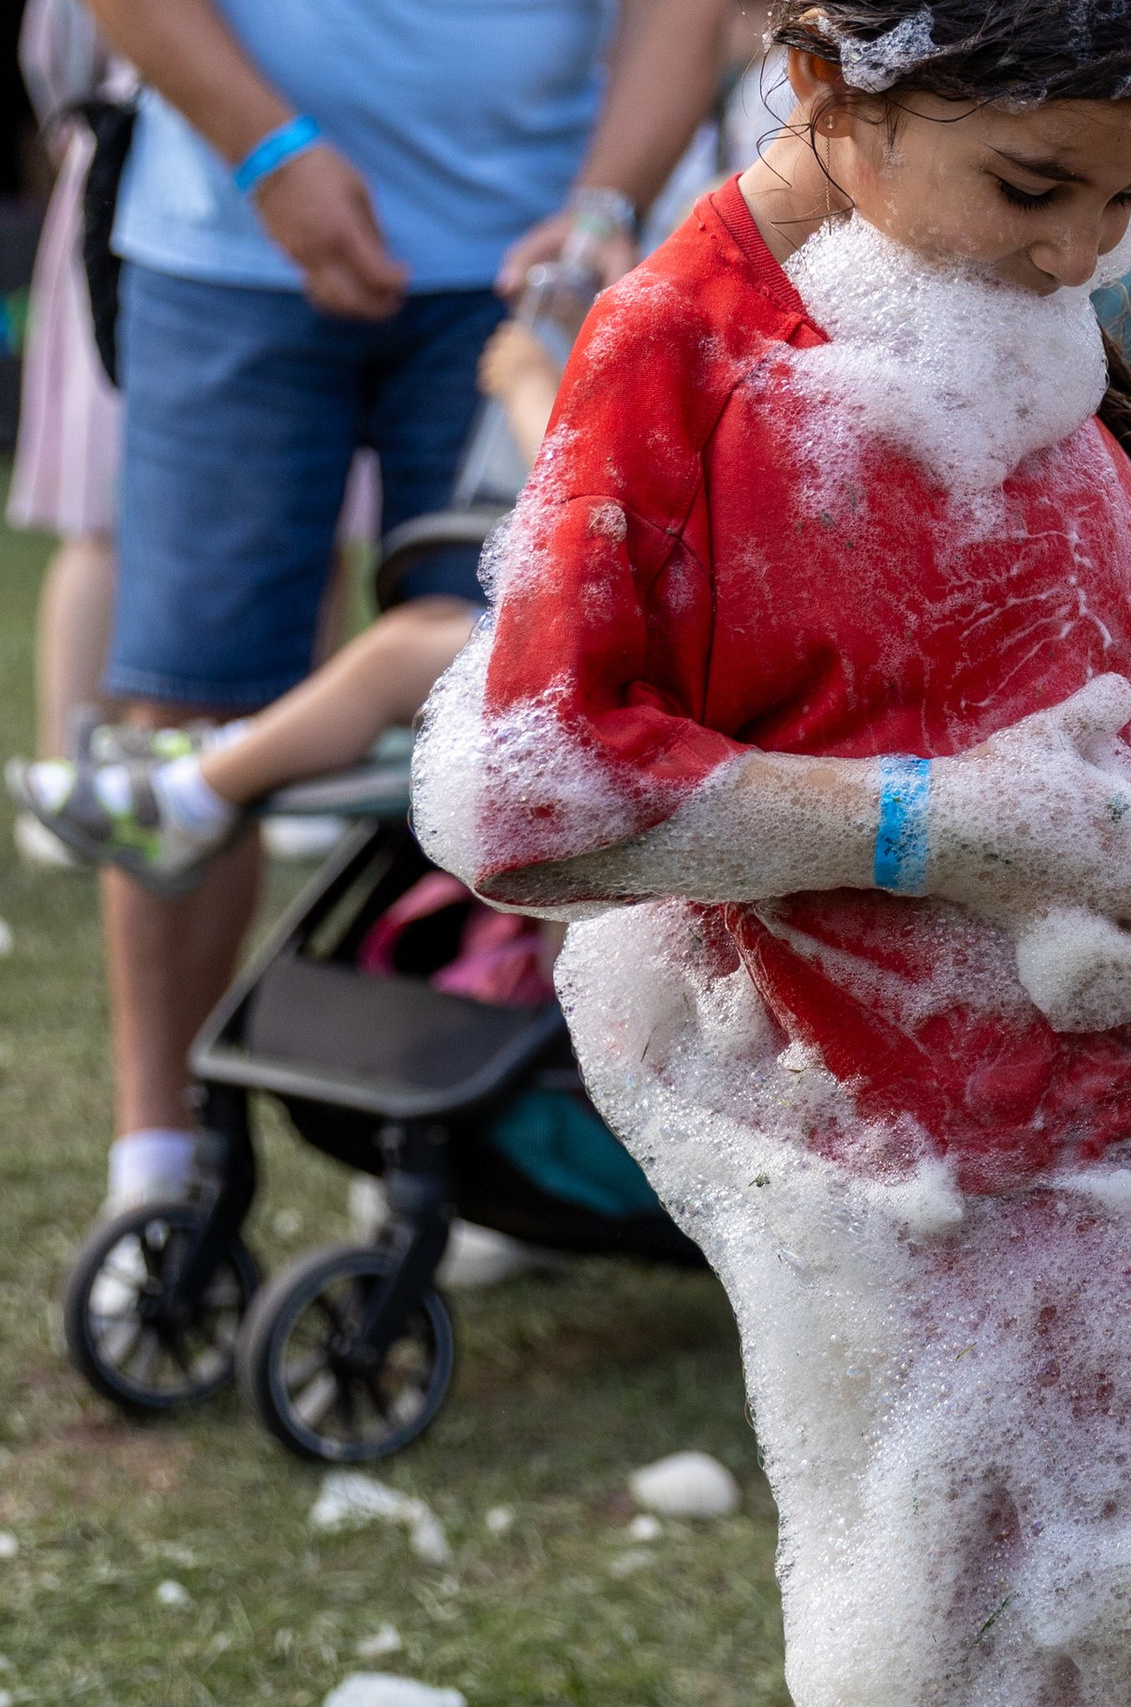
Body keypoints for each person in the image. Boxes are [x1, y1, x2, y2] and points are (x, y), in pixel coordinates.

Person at [412, 0, 1131, 1695]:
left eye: (1126, 201)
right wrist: (935, 824)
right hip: (974, 1184)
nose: (1077, 252)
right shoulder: (677, 348)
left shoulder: (987, 290)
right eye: (1036, 186)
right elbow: (539, 800)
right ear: (831, 89)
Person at [67, 0, 723, 1217]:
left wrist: (602, 206)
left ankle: (464, 1135)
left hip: (523, 273)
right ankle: (156, 1167)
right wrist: (269, 151)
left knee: (524, 703)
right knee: (185, 698)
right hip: (223, 243)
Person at [11, 323, 561, 890]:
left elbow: (582, 478)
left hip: (621, 661)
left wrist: (527, 384)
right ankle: (219, 753)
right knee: (425, 623)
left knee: (396, 659)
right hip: (617, 638)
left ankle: (187, 799)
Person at [10, 0, 130, 869]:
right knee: (106, 502)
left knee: (314, 522)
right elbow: (61, 53)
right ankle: (69, 772)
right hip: (132, 182)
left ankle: (292, 773)